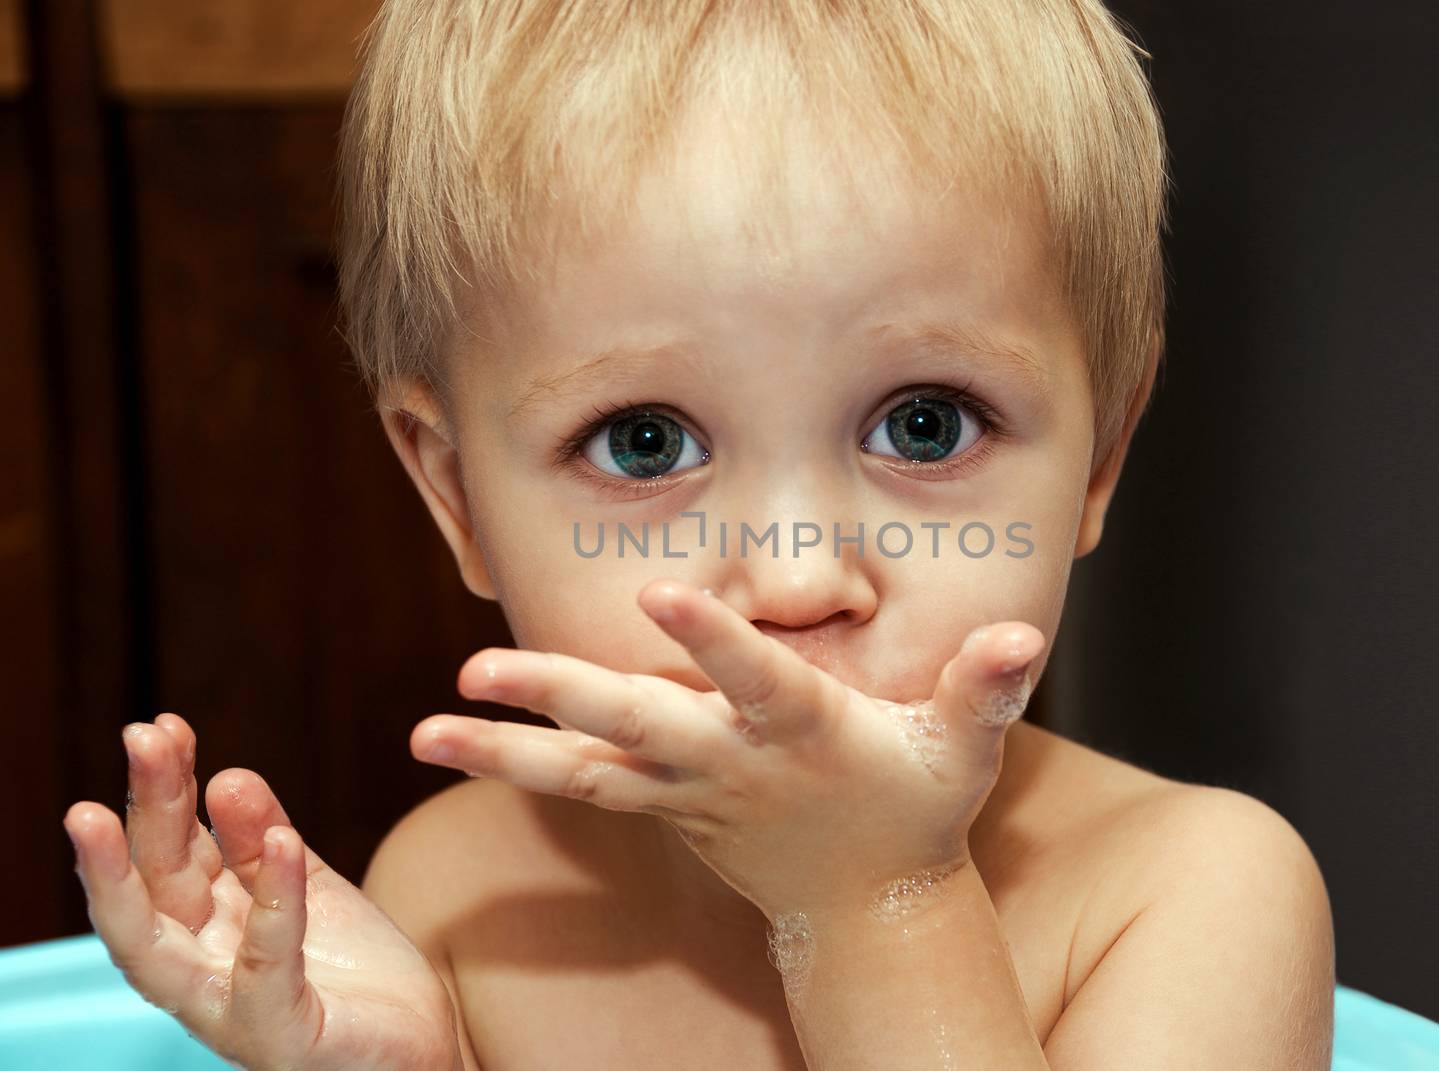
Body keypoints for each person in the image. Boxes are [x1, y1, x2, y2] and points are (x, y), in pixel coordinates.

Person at [61, 1, 1337, 1067]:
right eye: (645, 444)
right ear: (455, 496)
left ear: (1101, 456)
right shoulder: (464, 898)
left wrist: (876, 903)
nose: (791, 583)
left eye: (928, 424)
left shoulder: (1191, 898)